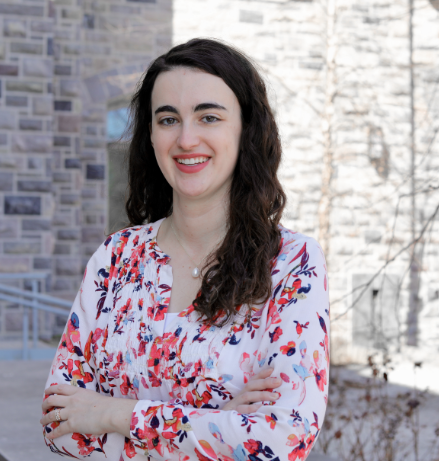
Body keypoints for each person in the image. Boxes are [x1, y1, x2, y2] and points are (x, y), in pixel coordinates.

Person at [40, 38, 330, 460]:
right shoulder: (116, 258)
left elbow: (281, 440)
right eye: (168, 119)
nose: (186, 138)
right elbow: (58, 421)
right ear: (152, 135)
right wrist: (218, 423)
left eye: (208, 116)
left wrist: (113, 414)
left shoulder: (291, 263)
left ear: (245, 129)